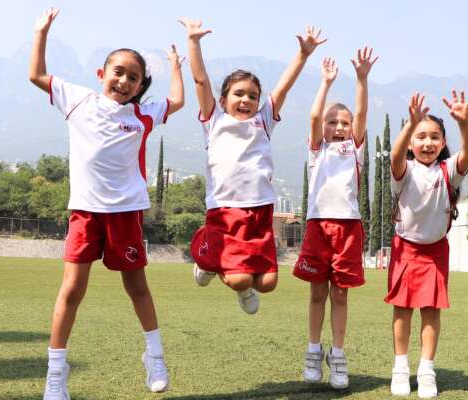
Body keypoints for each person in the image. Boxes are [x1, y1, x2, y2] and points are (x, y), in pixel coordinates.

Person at [29, 8, 184, 399]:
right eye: (118, 72)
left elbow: (178, 100)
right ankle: (56, 374)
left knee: (137, 288)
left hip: (126, 214)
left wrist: (177, 65)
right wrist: (41, 32)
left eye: (133, 77)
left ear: (139, 86)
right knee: (71, 290)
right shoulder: (77, 100)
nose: (124, 80)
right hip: (85, 211)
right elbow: (36, 75)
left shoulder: (142, 115)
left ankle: (155, 356)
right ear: (101, 74)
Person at [179, 17, 325, 314]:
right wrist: (193, 42)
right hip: (224, 209)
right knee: (240, 279)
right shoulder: (214, 121)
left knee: (268, 282)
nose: (246, 100)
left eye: (252, 96)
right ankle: (206, 258)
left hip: (260, 211)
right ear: (223, 100)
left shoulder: (263, 121)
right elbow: (200, 81)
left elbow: (283, 88)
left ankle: (229, 273)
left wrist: (304, 54)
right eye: (238, 94)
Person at [293, 49, 378, 389]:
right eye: (333, 122)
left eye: (344, 122)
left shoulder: (353, 149)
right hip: (318, 226)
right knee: (317, 293)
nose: (339, 126)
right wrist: (325, 83)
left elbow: (361, 112)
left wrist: (361, 78)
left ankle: (337, 355)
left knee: (340, 295)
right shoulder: (317, 149)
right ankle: (313, 350)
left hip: (348, 227)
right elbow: (314, 116)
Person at [386, 92, 468, 398]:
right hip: (405, 248)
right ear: (410, 143)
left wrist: (464, 124)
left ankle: (427, 369)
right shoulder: (404, 173)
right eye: (420, 137)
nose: (427, 143)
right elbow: (395, 157)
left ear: (444, 142)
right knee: (402, 309)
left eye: (435, 137)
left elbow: (466, 153)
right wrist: (409, 125)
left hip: (435, 252)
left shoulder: (449, 172)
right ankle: (400, 368)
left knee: (432, 311)